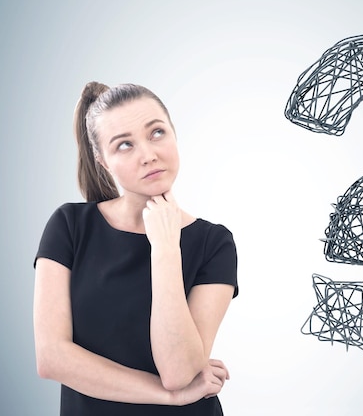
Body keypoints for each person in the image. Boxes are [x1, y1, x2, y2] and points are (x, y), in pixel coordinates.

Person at [33, 82, 238, 415]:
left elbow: (177, 371)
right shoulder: (69, 226)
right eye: (124, 145)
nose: (148, 154)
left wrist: (167, 247)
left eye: (157, 133)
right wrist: (170, 397)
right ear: (102, 160)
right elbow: (52, 358)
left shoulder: (214, 243)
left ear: (173, 133)